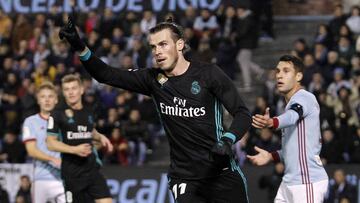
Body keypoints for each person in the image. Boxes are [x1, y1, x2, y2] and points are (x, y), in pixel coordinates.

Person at [59, 17, 252, 202]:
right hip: (185, 177)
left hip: (222, 174)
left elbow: (242, 113)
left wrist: (228, 140)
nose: (157, 51)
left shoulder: (209, 74)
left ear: (180, 45)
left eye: (163, 44)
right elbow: (105, 74)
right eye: (153, 47)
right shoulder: (152, 79)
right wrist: (79, 46)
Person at [248, 55, 329, 202]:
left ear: (298, 76)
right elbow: (294, 149)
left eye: (286, 71)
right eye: (278, 71)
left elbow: (292, 116)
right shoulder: (290, 104)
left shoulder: (304, 97)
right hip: (290, 182)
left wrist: (272, 122)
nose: (279, 75)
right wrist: (271, 156)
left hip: (307, 181)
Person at [46, 74, 113, 203]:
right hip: (73, 174)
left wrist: (101, 137)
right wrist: (74, 150)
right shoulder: (57, 114)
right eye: (67, 89)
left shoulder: (89, 111)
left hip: (92, 169)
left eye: (74, 88)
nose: (71, 92)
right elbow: (50, 143)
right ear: (63, 93)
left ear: (81, 90)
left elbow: (89, 130)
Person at [22, 81, 65, 203]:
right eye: (43, 97)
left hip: (63, 179)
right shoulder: (30, 122)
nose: (47, 100)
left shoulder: (64, 121)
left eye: (50, 96)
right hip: (41, 179)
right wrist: (52, 159)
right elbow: (31, 150)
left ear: (56, 100)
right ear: (38, 100)